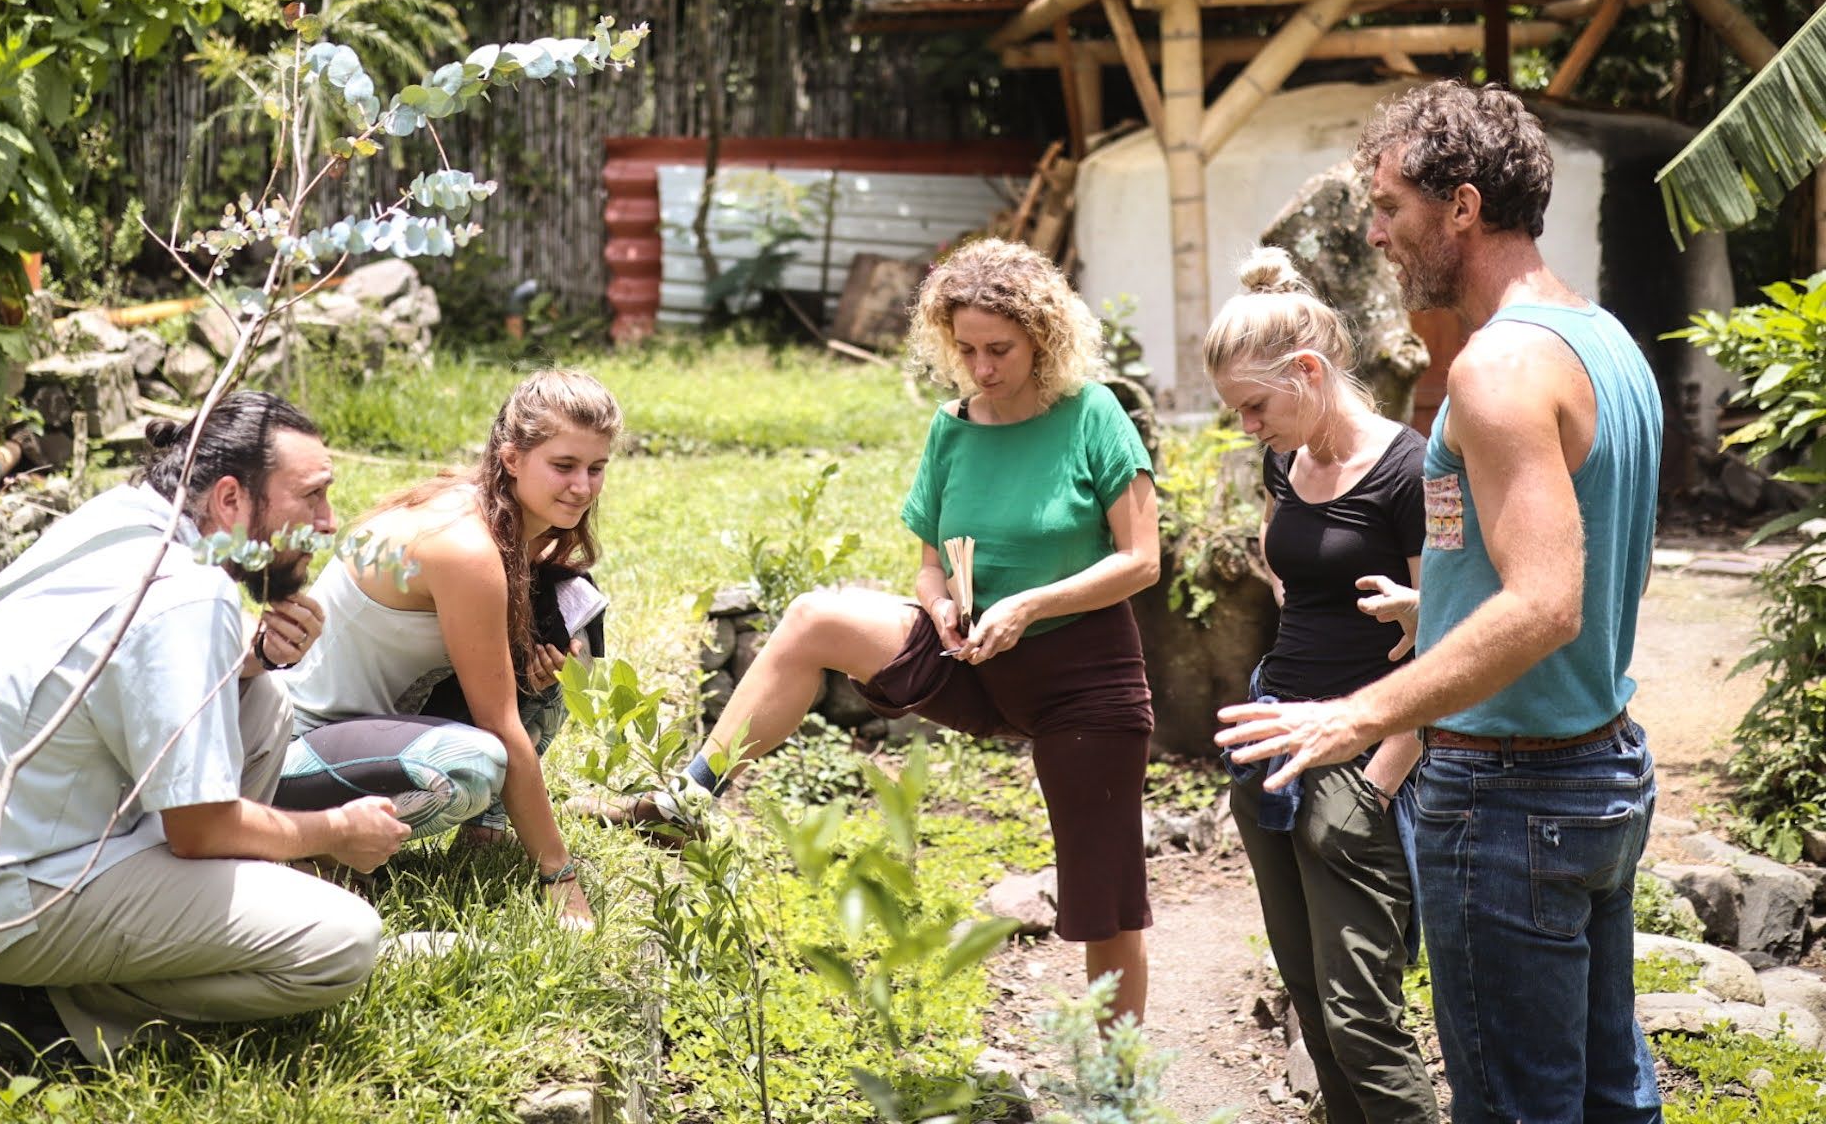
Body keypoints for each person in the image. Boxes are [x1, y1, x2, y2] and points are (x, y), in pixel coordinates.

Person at [1215, 81, 1665, 1124]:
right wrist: (1446, 612)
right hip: (1599, 769)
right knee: (1609, 1098)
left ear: (1461, 207)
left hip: (1510, 798)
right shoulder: (1602, 340)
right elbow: (1607, 572)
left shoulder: (1495, 369)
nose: (1374, 233)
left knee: (1513, 1107)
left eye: (1388, 207)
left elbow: (1546, 604)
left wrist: (1355, 715)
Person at [601, 238, 1161, 1023]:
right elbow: (930, 567)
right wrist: (938, 606)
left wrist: (1029, 606)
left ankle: (1118, 1079)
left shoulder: (1092, 416)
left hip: (1083, 680)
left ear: (1043, 337)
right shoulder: (951, 429)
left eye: (999, 350)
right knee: (814, 617)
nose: (982, 367)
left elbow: (1141, 561)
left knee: (1105, 905)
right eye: (965, 349)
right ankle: (690, 801)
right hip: (970, 656)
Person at [0, 391, 412, 1066]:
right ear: (229, 499)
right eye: (312, 497)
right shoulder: (186, 591)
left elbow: (127, 672)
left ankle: (167, 936)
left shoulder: (121, 517)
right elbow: (199, 829)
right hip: (4, 898)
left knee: (262, 700)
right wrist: (334, 832)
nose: (328, 522)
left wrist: (256, 657)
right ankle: (60, 1011)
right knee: (344, 941)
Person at [1206, 247, 1436, 1124]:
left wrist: (1382, 780)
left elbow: (1445, 640)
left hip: (1361, 752)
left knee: (1361, 1017)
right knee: (1309, 998)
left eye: (1254, 406)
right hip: (1274, 742)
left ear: (1308, 371)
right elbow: (1289, 575)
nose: (1247, 426)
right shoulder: (1285, 462)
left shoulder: (1410, 470)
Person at [273, 369, 619, 929]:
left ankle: (484, 836)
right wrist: (562, 878)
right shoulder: (465, 546)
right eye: (564, 466)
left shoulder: (501, 514)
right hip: (290, 752)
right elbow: (500, 724)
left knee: (559, 663)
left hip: (368, 725)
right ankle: (319, 847)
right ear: (512, 458)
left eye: (595, 468)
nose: (582, 486)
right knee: (470, 766)